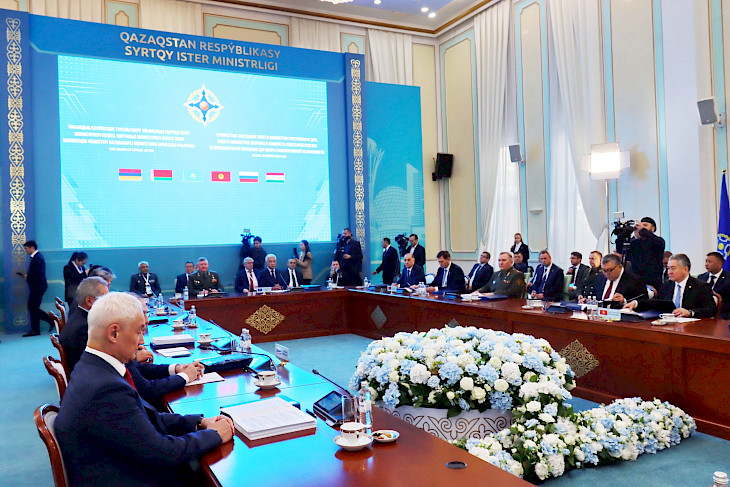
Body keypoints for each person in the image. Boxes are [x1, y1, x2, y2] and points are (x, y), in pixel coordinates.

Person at [55, 292, 233, 486]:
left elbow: (144, 417)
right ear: (114, 333)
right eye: (139, 331)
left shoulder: (93, 366)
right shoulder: (105, 389)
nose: (141, 341)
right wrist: (215, 434)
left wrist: (200, 422)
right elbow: (163, 453)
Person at [624, 254, 716, 318]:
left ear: (685, 269)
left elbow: (711, 309)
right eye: (668, 268)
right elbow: (656, 303)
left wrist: (690, 312)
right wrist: (636, 303)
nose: (669, 272)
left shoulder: (700, 286)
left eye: (673, 268)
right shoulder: (667, 285)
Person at [60, 277, 110, 372]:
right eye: (104, 299)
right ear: (89, 301)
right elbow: (96, 361)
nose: (108, 303)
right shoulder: (84, 328)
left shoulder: (78, 315)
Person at [580, 254, 646, 308]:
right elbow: (596, 297)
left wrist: (624, 301)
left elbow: (643, 302)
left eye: (609, 270)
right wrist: (588, 300)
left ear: (620, 267)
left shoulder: (634, 280)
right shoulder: (599, 277)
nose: (606, 274)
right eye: (603, 270)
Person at [617, 216, 666, 290]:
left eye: (645, 225)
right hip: (634, 281)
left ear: (653, 228)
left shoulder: (658, 241)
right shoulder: (634, 243)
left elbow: (651, 240)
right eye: (640, 225)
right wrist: (621, 236)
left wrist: (642, 230)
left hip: (652, 282)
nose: (641, 228)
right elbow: (620, 251)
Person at [20, 241, 54, 336]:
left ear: (32, 248)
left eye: (26, 248)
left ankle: (47, 321)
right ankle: (38, 328)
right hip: (38, 286)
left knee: (32, 307)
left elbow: (37, 274)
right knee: (33, 308)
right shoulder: (37, 257)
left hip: (37, 287)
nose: (25, 251)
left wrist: (27, 277)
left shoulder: (37, 258)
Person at [696, 251, 730, 316]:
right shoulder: (701, 277)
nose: (706, 264)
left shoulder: (728, 279)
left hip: (722, 315)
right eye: (706, 261)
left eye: (709, 262)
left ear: (720, 264)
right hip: (702, 313)